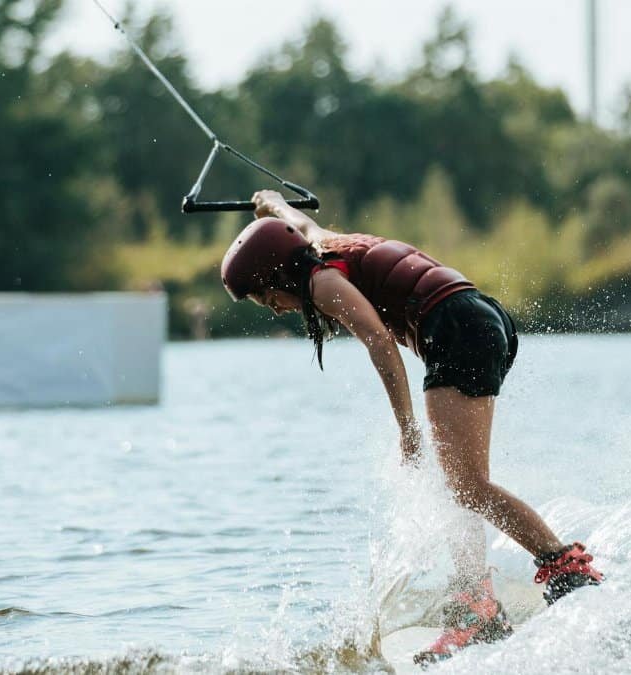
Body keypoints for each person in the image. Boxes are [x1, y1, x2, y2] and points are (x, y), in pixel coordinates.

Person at [220, 190, 605, 662]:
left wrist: (407, 428)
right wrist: (273, 202)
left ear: (278, 272)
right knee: (461, 484)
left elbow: (380, 342)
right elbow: (296, 221)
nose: (274, 307)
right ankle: (478, 603)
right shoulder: (322, 244)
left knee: (466, 484)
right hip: (482, 318)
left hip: (456, 328)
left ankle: (560, 567)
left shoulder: (322, 281)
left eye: (265, 295)